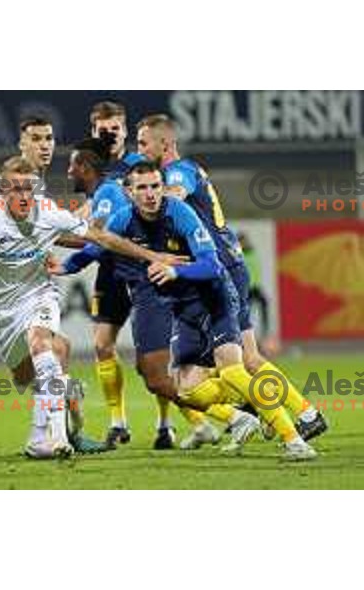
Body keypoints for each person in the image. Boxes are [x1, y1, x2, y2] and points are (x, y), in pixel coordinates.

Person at [0, 156, 183, 459]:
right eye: (16, 189)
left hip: (40, 294)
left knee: (42, 343)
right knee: (24, 378)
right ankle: (66, 395)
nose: (23, 196)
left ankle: (53, 439)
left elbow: (101, 237)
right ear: (3, 190)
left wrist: (152, 256)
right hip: (4, 309)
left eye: (29, 189)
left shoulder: (49, 213)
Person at [136, 114, 328, 442]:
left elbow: (177, 192)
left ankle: (280, 410)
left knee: (230, 365)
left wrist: (138, 196)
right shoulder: (184, 169)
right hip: (225, 268)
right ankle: (299, 413)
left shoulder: (178, 172)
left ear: (164, 144)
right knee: (245, 359)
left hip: (220, 270)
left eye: (143, 143)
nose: (138, 149)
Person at [107, 161, 316, 460]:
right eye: (142, 187)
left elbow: (212, 265)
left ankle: (294, 439)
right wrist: (65, 263)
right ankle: (251, 402)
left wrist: (175, 272)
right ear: (129, 192)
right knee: (187, 389)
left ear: (163, 187)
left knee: (232, 368)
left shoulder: (180, 213)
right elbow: (98, 241)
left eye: (156, 186)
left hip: (215, 298)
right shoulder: (124, 219)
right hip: (185, 310)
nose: (151, 193)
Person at [63, 135, 221, 450]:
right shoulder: (108, 198)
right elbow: (95, 238)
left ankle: (185, 421)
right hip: (122, 277)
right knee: (116, 351)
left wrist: (44, 237)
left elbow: (98, 240)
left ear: (85, 166)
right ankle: (122, 423)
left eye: (72, 166)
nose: (68, 172)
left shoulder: (111, 191)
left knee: (153, 364)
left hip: (140, 278)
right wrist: (68, 260)